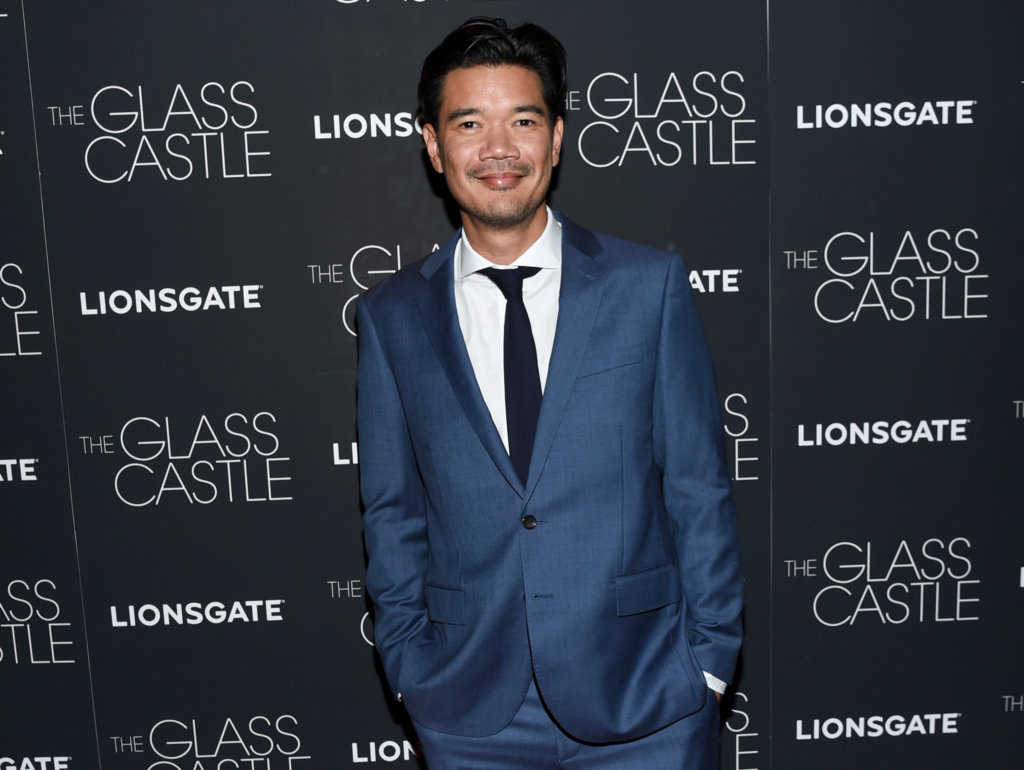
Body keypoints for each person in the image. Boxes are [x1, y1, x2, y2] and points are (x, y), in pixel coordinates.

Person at [356, 16, 743, 769]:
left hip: (647, 699)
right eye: (470, 123)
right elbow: (391, 510)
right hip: (470, 711)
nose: (498, 149)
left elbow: (699, 487)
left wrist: (709, 663)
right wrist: (409, 672)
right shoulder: (391, 317)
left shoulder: (646, 287)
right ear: (435, 146)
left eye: (523, 121)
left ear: (557, 138)